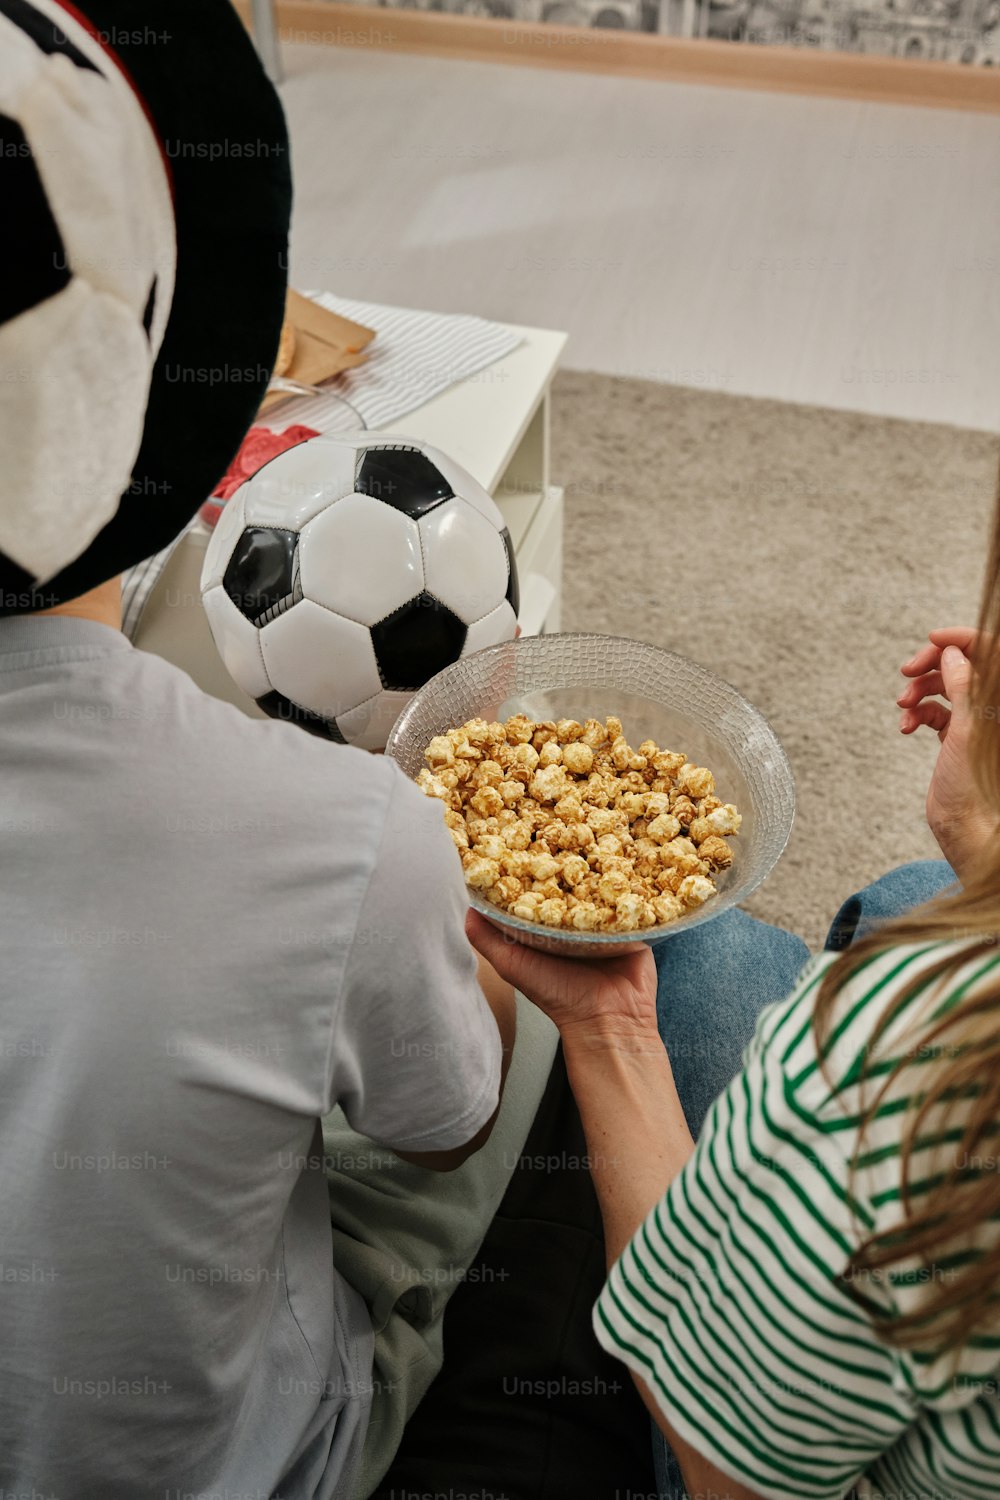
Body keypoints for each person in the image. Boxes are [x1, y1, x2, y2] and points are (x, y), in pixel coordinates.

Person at [0, 6, 559, 1497]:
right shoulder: (339, 833)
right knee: (556, 1020)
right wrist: (437, 855)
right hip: (249, 1461)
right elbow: (441, 1133)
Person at [473, 591, 1000, 1496]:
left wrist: (609, 1028)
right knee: (918, 890)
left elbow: (732, 1483)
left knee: (723, 951)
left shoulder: (909, 1061)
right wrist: (981, 847)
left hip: (753, 1471)